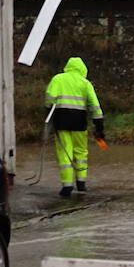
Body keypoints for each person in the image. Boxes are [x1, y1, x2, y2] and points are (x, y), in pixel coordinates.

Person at [45, 56, 104, 198]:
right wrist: (99, 126)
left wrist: (49, 114)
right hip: (79, 122)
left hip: (61, 121)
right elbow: (94, 105)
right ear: (83, 69)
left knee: (65, 152)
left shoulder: (58, 79)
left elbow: (49, 98)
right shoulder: (85, 83)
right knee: (81, 152)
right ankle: (81, 183)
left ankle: (67, 186)